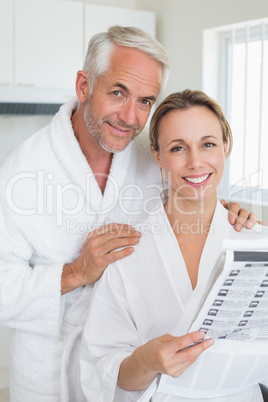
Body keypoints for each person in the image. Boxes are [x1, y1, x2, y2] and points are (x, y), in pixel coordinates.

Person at [0, 26, 257, 402]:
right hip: (51, 369)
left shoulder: (142, 155)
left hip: (131, 367)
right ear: (84, 85)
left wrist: (226, 211)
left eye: (145, 101)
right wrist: (75, 273)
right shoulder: (22, 174)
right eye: (118, 92)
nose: (130, 116)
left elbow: (187, 188)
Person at [80, 90, 268, 402]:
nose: (196, 162)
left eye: (208, 144)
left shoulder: (258, 244)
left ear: (225, 147)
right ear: (157, 155)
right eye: (178, 148)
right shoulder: (127, 252)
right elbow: (100, 369)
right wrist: (146, 361)